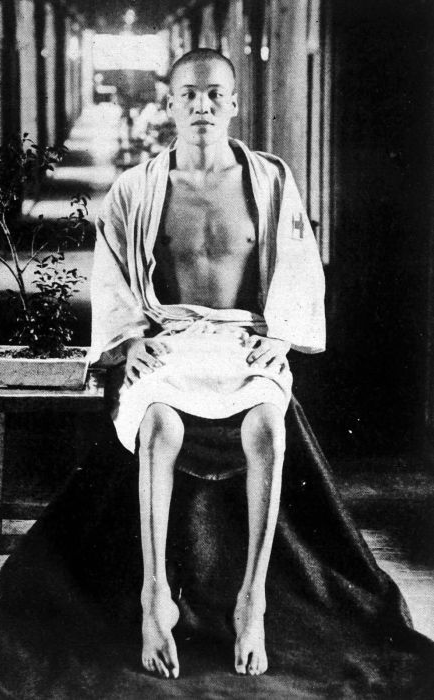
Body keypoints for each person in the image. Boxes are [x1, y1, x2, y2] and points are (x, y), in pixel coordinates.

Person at [90, 48, 325, 680]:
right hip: (171, 338)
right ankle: (155, 596)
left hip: (244, 339)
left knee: (268, 427)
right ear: (169, 104)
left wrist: (282, 335)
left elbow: (299, 263)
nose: (203, 105)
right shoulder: (137, 187)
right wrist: (130, 340)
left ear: (234, 103)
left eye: (215, 94)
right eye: (189, 95)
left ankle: (253, 599)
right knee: (158, 426)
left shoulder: (269, 178)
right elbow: (111, 271)